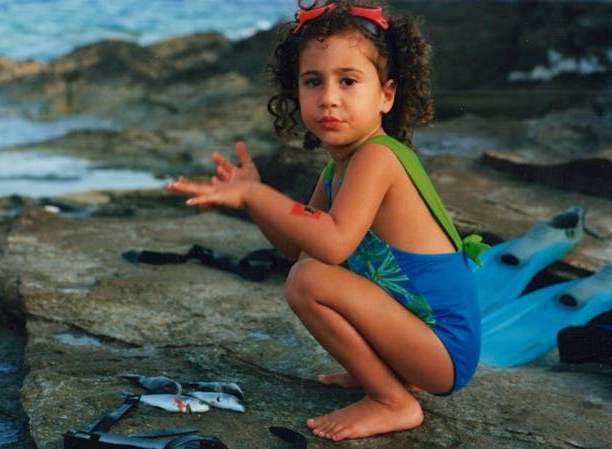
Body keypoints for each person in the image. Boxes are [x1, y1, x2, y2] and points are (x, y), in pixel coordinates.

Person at [167, 0, 484, 441]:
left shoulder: (378, 157)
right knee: (306, 271)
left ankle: (393, 402)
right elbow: (301, 247)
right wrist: (255, 203)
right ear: (295, 92)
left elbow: (331, 247)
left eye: (349, 81)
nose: (329, 98)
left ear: (386, 95)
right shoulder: (340, 167)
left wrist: (259, 193)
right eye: (313, 81)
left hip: (443, 350)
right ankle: (381, 377)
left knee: (307, 281)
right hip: (417, 348)